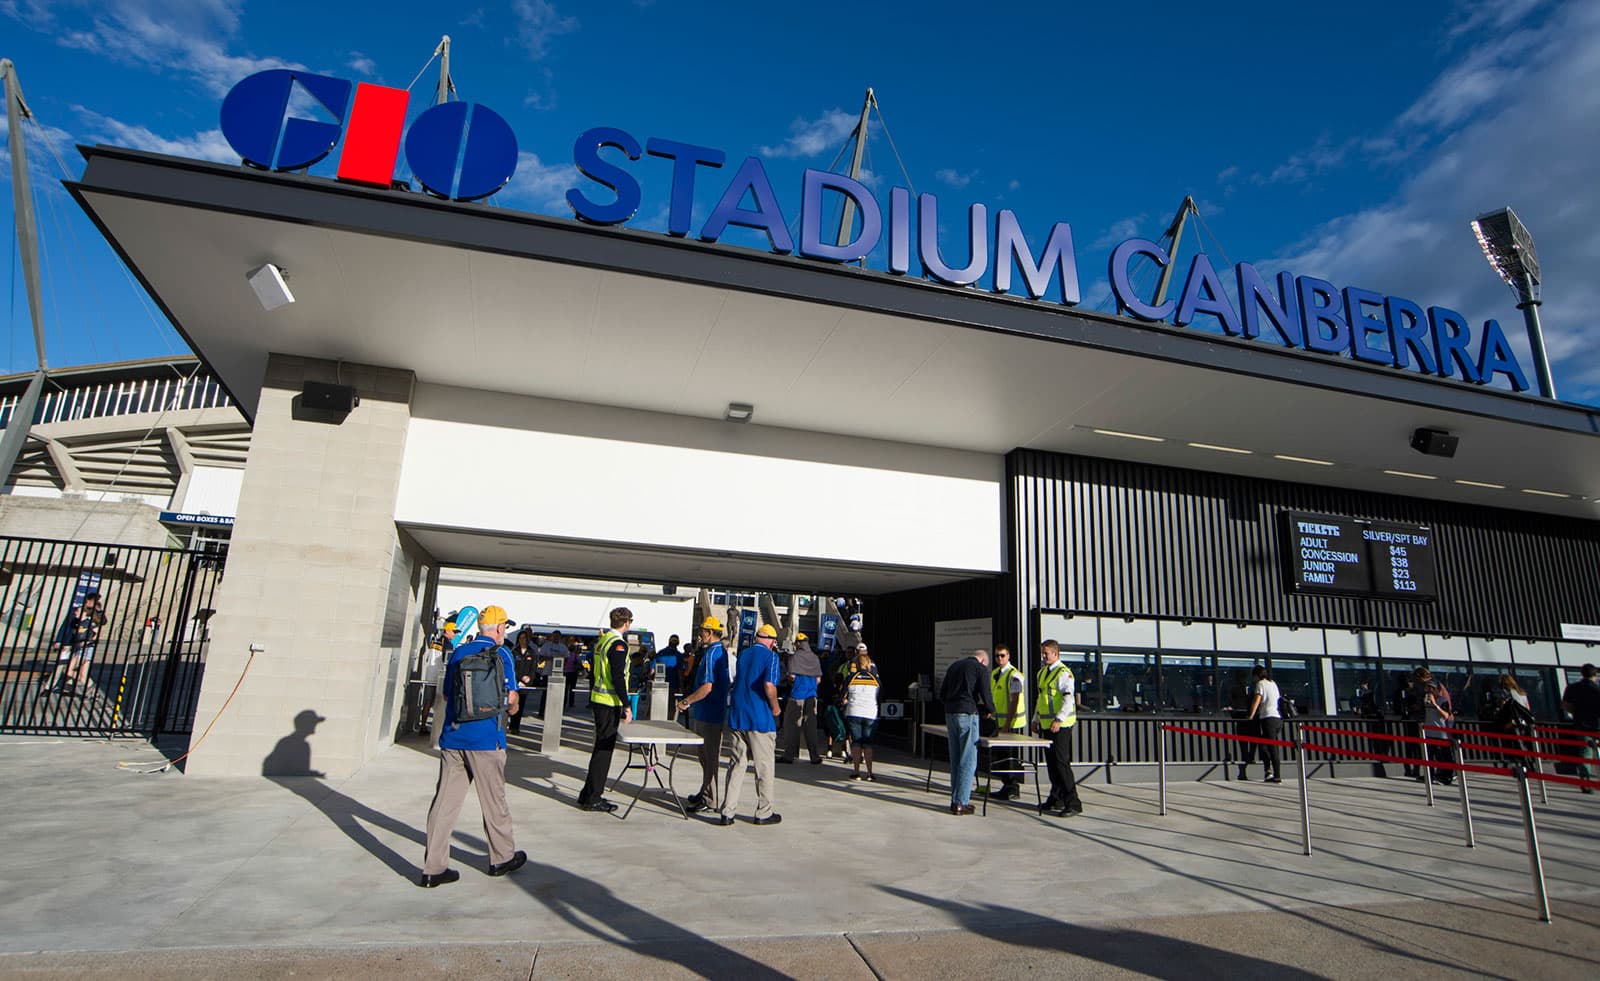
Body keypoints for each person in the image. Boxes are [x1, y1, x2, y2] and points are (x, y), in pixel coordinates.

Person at [419, 605, 526, 887]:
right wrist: (512, 709)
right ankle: (501, 857)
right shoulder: (502, 654)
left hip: (453, 738)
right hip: (486, 739)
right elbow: (511, 697)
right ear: (500, 628)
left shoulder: (459, 653)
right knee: (493, 801)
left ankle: (433, 868)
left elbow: (446, 693)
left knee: (444, 803)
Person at [717, 623, 783, 826]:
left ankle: (728, 811)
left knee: (737, 764)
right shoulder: (771, 657)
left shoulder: (744, 654)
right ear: (772, 641)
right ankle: (764, 812)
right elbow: (769, 684)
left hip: (738, 714)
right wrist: (775, 706)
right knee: (763, 766)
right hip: (759, 717)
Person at [577, 608, 633, 813]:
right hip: (609, 702)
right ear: (626, 623)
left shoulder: (602, 640)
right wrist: (626, 705)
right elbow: (618, 676)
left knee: (599, 747)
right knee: (604, 751)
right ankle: (594, 797)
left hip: (598, 699)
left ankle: (587, 793)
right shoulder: (618, 644)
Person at [676, 617, 730, 814]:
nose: (699, 635)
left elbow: (707, 687)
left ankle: (710, 798)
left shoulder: (713, 653)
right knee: (705, 756)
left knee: (709, 757)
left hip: (710, 713)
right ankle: (705, 791)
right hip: (707, 712)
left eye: (702, 631)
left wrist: (686, 701)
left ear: (710, 632)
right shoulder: (714, 652)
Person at [940, 647, 993, 814]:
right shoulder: (980, 669)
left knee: (956, 759)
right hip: (968, 713)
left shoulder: (954, 666)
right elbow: (985, 692)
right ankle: (961, 802)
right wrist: (990, 709)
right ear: (983, 661)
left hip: (950, 714)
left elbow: (942, 693)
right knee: (968, 760)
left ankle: (955, 800)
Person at [1035, 640, 1084, 815]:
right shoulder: (1042, 673)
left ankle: (1073, 802)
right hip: (1047, 724)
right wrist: (1036, 718)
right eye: (1043, 653)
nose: (1043, 656)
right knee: (1051, 763)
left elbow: (1068, 699)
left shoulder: (1064, 673)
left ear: (1056, 654)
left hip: (1061, 725)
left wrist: (1059, 719)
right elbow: (1041, 698)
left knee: (1061, 762)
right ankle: (1056, 797)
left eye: (1046, 653)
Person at [46, 590, 108, 697]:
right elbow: (66, 625)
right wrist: (59, 640)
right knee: (61, 666)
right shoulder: (77, 611)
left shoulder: (93, 614)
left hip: (83, 646)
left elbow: (102, 623)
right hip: (69, 643)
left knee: (76, 671)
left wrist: (98, 610)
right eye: (92, 600)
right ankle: (50, 687)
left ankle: (71, 689)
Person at [778, 633, 824, 765]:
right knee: (811, 727)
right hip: (812, 696)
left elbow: (791, 676)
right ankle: (814, 756)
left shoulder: (795, 657)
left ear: (798, 643)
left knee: (792, 726)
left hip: (797, 695)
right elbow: (818, 679)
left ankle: (789, 755)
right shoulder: (815, 658)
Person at [988, 646, 1027, 799]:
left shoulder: (1014, 675)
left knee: (1009, 756)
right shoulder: (995, 674)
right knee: (1001, 756)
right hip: (998, 721)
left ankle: (1012, 787)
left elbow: (1015, 699)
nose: (1000, 658)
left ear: (1008, 656)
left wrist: (1007, 724)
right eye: (997, 656)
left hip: (1010, 723)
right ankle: (1006, 785)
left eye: (1002, 655)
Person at [843, 646, 882, 781]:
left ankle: (856, 772)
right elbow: (879, 697)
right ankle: (870, 773)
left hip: (854, 712)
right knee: (867, 743)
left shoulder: (851, 678)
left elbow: (843, 696)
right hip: (871, 713)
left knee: (856, 742)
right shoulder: (875, 679)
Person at [1561, 663, 1600, 792]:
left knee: (1585, 753)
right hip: (1597, 725)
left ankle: (1586, 782)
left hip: (1581, 725)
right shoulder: (1597, 689)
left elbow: (1566, 705)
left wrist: (1576, 713)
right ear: (1595, 675)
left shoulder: (1572, 688)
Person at [1246, 666, 1283, 785]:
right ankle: (1268, 771)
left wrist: (1251, 715)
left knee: (1271, 747)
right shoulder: (1273, 683)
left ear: (1256, 675)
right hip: (1278, 718)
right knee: (1265, 745)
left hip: (1268, 718)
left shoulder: (1260, 684)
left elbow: (1257, 700)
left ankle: (1276, 775)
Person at [1419, 668, 1454, 786]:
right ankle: (1430, 775)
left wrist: (1435, 705)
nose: (1427, 691)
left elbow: (1445, 715)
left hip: (1441, 732)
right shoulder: (1426, 700)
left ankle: (1446, 776)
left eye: (1429, 689)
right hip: (1429, 731)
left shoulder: (1441, 700)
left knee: (1443, 755)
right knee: (1429, 754)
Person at [1230, 671, 1261, 780]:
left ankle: (1250, 756)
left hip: (1252, 718)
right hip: (1241, 716)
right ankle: (1246, 757)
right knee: (1243, 740)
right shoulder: (1235, 689)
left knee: (1253, 739)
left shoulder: (1255, 688)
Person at [508, 628, 539, 734]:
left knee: (520, 706)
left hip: (525, 685)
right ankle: (510, 725)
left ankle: (516, 727)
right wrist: (520, 678)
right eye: (521, 638)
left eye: (525, 638)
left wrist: (529, 679)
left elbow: (533, 668)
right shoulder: (514, 652)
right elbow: (512, 668)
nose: (523, 640)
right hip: (515, 682)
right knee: (511, 704)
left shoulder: (532, 652)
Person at [656, 633, 681, 699]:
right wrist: (681, 686)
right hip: (673, 685)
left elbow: (652, 670)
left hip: (659, 684)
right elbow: (680, 672)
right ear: (678, 643)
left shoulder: (660, 653)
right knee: (671, 706)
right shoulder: (679, 655)